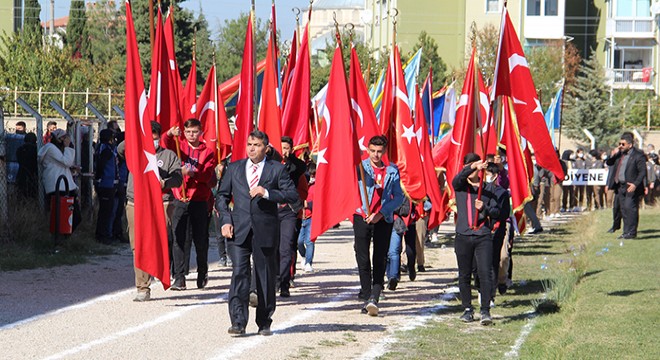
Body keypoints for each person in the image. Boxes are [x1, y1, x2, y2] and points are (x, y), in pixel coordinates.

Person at [215, 130, 298, 336]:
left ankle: (264, 321)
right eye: (249, 144)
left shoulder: (276, 169)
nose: (252, 148)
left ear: (266, 148)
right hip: (238, 230)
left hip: (265, 230)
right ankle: (238, 322)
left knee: (265, 276)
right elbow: (222, 197)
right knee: (239, 274)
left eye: (257, 145)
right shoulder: (234, 168)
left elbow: (292, 195)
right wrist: (225, 220)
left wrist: (267, 192)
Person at [119, 121, 182, 302]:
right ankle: (142, 286)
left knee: (159, 242)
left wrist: (165, 183)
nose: (151, 137)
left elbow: (178, 179)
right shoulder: (134, 152)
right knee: (137, 245)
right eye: (148, 133)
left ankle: (161, 270)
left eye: (154, 134)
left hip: (161, 203)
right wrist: (135, 136)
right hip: (135, 202)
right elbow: (120, 149)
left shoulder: (168, 155)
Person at [163, 119, 217, 290]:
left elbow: (207, 176)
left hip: (199, 201)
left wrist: (192, 173)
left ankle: (202, 271)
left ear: (200, 132)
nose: (191, 135)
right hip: (180, 199)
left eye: (195, 132)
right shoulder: (179, 148)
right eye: (188, 132)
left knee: (200, 240)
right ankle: (179, 277)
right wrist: (170, 133)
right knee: (178, 238)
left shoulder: (207, 152)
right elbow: (163, 145)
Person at [353, 135, 404, 316]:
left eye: (379, 151)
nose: (376, 154)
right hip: (362, 216)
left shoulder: (391, 170)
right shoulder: (360, 166)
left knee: (380, 257)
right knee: (363, 257)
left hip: (383, 219)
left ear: (384, 152)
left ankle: (375, 295)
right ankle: (367, 297)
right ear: (368, 150)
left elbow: (399, 197)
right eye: (372, 151)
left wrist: (381, 213)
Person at [452, 153, 500, 325]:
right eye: (469, 165)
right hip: (463, 235)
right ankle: (467, 309)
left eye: (476, 164)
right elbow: (457, 179)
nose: (474, 168)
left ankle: (485, 310)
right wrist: (473, 166)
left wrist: (485, 208)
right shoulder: (460, 187)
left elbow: (498, 212)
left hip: (482, 236)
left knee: (485, 272)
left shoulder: (488, 188)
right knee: (464, 274)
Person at [277, 136, 308, 297]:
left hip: (289, 211)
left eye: (287, 148)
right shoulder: (269, 164)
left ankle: (286, 280)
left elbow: (303, 189)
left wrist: (294, 201)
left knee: (288, 245)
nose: (284, 151)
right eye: (281, 148)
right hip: (271, 211)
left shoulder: (296, 167)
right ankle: (276, 278)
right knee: (273, 246)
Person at [37, 129, 81, 232]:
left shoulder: (56, 149)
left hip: (64, 184)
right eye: (64, 138)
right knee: (64, 216)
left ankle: (64, 236)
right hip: (58, 185)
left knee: (74, 216)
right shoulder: (51, 148)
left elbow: (63, 163)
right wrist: (68, 147)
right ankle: (61, 236)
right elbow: (67, 162)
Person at [605, 132, 646, 239]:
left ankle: (632, 232)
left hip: (631, 186)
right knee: (623, 209)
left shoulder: (638, 155)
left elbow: (642, 172)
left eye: (623, 144)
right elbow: (609, 163)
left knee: (630, 208)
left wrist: (635, 184)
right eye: (619, 143)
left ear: (630, 145)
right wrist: (615, 153)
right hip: (620, 186)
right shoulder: (620, 154)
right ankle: (626, 232)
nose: (620, 146)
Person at [94, 129, 119, 244]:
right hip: (106, 183)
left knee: (106, 211)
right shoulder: (106, 150)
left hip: (107, 183)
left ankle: (103, 234)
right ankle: (102, 235)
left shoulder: (103, 148)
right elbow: (101, 165)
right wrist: (98, 178)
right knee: (106, 211)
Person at [297, 162, 316, 272]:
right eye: (310, 175)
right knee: (299, 241)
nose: (312, 177)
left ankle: (309, 262)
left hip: (311, 217)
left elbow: (318, 202)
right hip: (301, 216)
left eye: (314, 175)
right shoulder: (301, 183)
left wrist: (308, 205)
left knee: (309, 241)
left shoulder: (316, 186)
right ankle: (304, 256)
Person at [16, 132, 38, 198]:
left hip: (22, 174)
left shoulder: (20, 149)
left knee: (21, 195)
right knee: (33, 195)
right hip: (33, 174)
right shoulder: (36, 149)